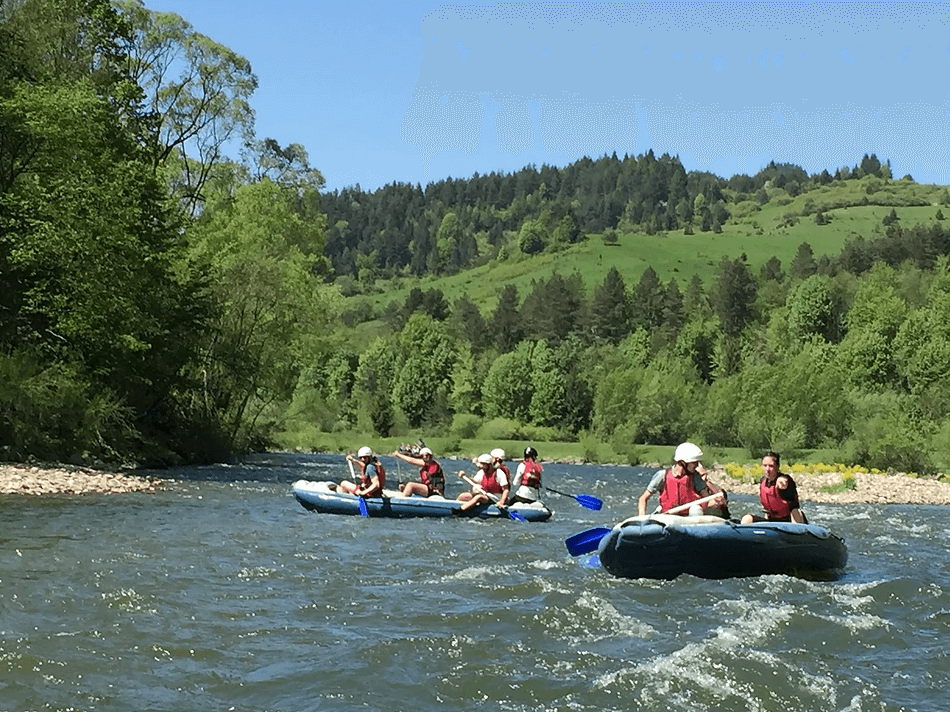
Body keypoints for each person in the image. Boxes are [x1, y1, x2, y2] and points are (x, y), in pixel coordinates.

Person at [637, 442, 729, 517]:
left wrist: (715, 502)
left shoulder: (695, 477)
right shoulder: (662, 476)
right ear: (682, 463)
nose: (697, 466)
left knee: (695, 509)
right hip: (669, 516)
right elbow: (643, 499)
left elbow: (706, 499)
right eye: (694, 463)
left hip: (688, 518)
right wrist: (642, 519)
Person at [741, 451, 807, 524]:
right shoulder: (763, 482)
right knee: (747, 519)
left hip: (788, 521)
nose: (767, 469)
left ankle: (798, 533)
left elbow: (785, 480)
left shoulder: (784, 481)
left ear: (777, 466)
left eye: (771, 466)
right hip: (772, 521)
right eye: (765, 465)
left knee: (796, 512)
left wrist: (783, 482)